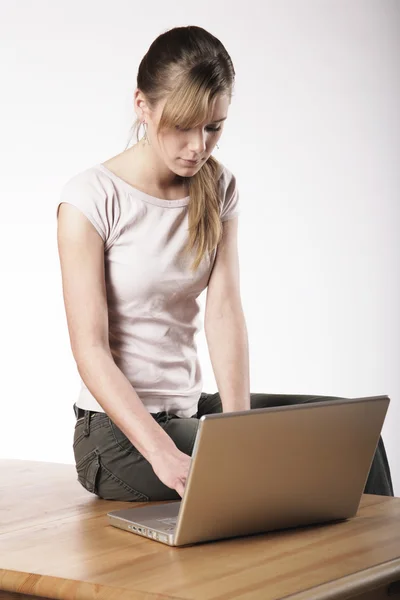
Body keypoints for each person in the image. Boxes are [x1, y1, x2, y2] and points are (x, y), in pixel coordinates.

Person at [56, 25, 394, 503]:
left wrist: (237, 430)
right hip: (115, 437)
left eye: (213, 126)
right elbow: (89, 349)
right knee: (276, 471)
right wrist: (162, 452)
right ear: (142, 106)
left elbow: (224, 312)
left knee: (356, 441)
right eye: (182, 126)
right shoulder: (90, 199)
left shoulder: (219, 187)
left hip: (191, 411)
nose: (198, 146)